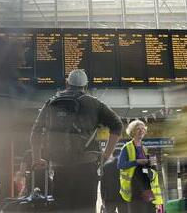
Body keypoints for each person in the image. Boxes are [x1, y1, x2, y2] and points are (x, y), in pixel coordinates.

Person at [30, 69, 123, 213]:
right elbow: (117, 125)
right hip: (87, 166)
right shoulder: (94, 103)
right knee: (85, 208)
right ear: (85, 86)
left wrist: (37, 159)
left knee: (62, 207)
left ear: (67, 83)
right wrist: (106, 155)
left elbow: (35, 132)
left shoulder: (52, 102)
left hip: (60, 166)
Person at [118, 120, 163, 213]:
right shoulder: (127, 147)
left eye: (143, 129)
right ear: (132, 132)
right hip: (135, 189)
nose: (141, 131)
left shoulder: (144, 148)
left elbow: (147, 167)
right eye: (138, 129)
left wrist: (151, 163)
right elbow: (120, 165)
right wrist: (137, 161)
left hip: (147, 187)